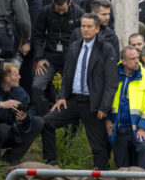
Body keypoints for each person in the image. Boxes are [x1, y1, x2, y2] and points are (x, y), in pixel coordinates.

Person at [42, 14, 118, 169]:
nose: (85, 29)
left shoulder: (106, 48)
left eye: (89, 26)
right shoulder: (75, 46)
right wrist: (62, 96)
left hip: (93, 103)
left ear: (97, 29)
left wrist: (104, 107)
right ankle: (51, 162)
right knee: (47, 122)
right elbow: (67, 74)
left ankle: (101, 173)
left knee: (98, 145)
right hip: (74, 100)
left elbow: (111, 82)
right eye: (83, 26)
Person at [0, 63, 44, 165]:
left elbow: (30, 109)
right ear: (7, 79)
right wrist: (0, 104)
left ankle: (13, 156)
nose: (20, 77)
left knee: (38, 121)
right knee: (2, 128)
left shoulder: (19, 91)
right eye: (16, 75)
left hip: (13, 132)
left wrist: (25, 117)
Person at [31, 0, 85, 118]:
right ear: (53, 3)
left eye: (63, 9)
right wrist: (39, 57)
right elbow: (38, 35)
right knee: (37, 86)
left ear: (69, 2)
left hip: (71, 58)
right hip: (50, 56)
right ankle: (44, 118)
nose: (61, 12)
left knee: (74, 90)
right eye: (58, 9)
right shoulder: (46, 12)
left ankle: (70, 122)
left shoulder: (79, 13)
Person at [106, 46, 145, 169]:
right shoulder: (112, 74)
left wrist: (143, 127)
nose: (136, 61)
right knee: (121, 164)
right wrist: (107, 119)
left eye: (138, 58)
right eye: (132, 58)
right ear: (123, 61)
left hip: (137, 127)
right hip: (118, 127)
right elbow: (107, 97)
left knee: (144, 151)